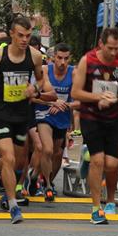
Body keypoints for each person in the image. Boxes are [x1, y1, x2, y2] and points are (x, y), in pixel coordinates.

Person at [0, 15, 52, 223]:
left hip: (21, 114)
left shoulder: (35, 56)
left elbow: (41, 78)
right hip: (0, 113)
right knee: (9, 158)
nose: (24, 39)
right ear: (11, 35)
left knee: (17, 161)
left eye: (28, 35)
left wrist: (34, 88)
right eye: (20, 35)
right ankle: (13, 205)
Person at [71, 27, 118, 224]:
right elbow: (76, 93)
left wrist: (117, 98)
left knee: (112, 165)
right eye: (110, 48)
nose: (113, 53)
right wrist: (98, 97)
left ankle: (87, 157)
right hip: (91, 116)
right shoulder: (87, 60)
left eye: (117, 49)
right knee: (99, 161)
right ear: (101, 44)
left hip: (114, 118)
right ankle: (96, 208)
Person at [32, 43, 75, 202]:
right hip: (44, 113)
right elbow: (33, 96)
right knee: (47, 149)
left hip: (62, 115)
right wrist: (51, 103)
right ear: (53, 58)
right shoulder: (44, 71)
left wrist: (66, 107)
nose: (62, 62)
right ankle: (47, 185)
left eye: (66, 58)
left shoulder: (74, 73)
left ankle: (39, 176)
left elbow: (78, 100)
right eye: (59, 58)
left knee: (57, 153)